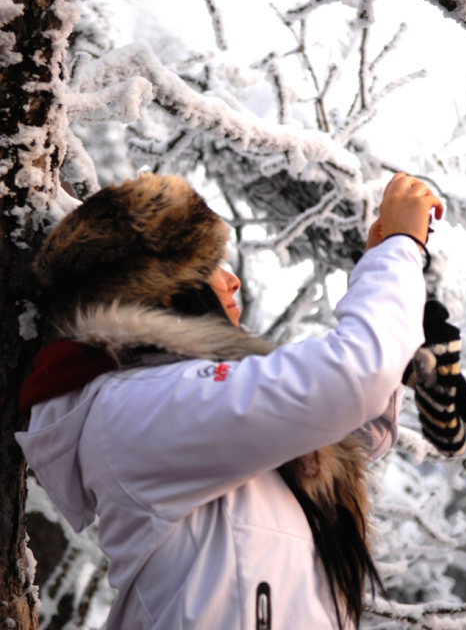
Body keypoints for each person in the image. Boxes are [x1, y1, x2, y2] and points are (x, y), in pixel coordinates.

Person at [16, 171, 443, 630]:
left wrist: (389, 284)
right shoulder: (139, 405)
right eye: (214, 264)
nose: (234, 280)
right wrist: (399, 250)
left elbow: (348, 431)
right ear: (161, 286)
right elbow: (350, 379)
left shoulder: (163, 400)